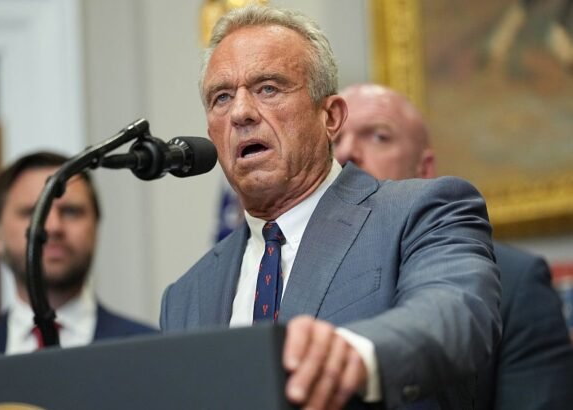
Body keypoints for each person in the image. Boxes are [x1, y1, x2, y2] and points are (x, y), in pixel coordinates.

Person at [160, 5, 501, 409]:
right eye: (221, 97)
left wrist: (354, 355)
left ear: (331, 117)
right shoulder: (185, 296)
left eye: (268, 88)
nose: (241, 113)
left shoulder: (421, 213)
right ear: (210, 132)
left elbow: (456, 314)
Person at [334, 83, 573, 409]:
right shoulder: (287, 265)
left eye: (378, 136)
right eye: (334, 141)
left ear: (424, 168)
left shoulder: (515, 282)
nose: (346, 153)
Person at [0, 151, 155, 358]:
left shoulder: (150, 352)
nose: (53, 227)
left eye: (71, 211)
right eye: (33, 212)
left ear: (96, 227)